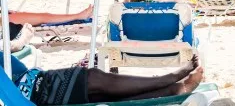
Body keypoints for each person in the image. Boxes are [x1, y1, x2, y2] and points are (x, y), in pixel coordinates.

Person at [6, 52, 203, 104]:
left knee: (104, 97)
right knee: (93, 78)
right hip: (36, 93)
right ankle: (169, 79)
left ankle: (175, 89)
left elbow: (15, 61)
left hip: (39, 80)